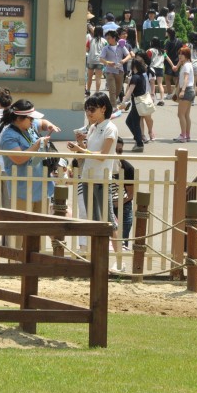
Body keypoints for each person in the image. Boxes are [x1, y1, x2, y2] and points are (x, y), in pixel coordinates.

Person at [67, 92, 124, 271]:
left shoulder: (110, 128)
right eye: (87, 109)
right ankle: (96, 259)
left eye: (92, 109)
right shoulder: (93, 127)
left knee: (109, 222)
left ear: (103, 109)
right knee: (92, 220)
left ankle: (120, 262)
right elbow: (91, 152)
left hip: (101, 179)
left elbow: (104, 155)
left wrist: (81, 150)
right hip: (88, 177)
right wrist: (81, 146)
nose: (88, 113)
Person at [0, 99, 58, 215]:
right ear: (18, 118)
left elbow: (43, 122)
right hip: (22, 191)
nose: (33, 121)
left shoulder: (31, 126)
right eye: (30, 118)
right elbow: (19, 159)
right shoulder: (8, 137)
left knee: (40, 228)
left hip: (41, 188)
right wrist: (37, 145)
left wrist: (49, 125)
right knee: (21, 230)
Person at [118, 57, 149, 152]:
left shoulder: (135, 77)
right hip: (139, 103)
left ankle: (139, 143)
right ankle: (138, 139)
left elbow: (129, 91)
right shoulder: (142, 76)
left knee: (135, 123)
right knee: (130, 122)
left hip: (137, 103)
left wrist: (123, 102)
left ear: (134, 66)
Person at [112, 137, 135, 246]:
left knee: (122, 241)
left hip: (123, 205)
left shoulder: (128, 168)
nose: (117, 154)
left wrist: (118, 203)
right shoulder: (100, 167)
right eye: (114, 151)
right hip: (104, 204)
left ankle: (121, 261)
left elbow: (131, 193)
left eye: (120, 151)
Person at [101, 29, 133, 104]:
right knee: (112, 90)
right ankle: (113, 107)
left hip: (120, 71)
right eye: (107, 38)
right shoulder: (106, 48)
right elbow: (101, 58)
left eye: (109, 38)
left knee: (118, 90)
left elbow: (129, 55)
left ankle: (109, 104)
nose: (107, 40)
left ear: (114, 38)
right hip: (109, 71)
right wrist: (107, 62)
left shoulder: (121, 46)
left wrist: (123, 61)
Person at [172, 46, 194, 143]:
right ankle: (187, 135)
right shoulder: (187, 64)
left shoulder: (186, 66)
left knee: (180, 114)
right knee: (186, 115)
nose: (180, 56)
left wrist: (182, 90)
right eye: (179, 54)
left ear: (187, 55)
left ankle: (183, 135)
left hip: (186, 90)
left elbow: (186, 78)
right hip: (190, 90)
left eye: (182, 54)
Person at [147, 36, 167, 106]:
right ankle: (162, 99)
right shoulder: (162, 51)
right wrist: (173, 65)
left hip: (153, 69)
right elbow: (167, 58)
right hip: (160, 68)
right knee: (160, 84)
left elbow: (147, 58)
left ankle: (152, 99)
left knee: (152, 84)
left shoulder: (150, 50)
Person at [85, 25, 105, 97]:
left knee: (89, 77)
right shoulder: (104, 41)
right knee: (98, 78)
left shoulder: (90, 40)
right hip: (100, 60)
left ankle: (88, 91)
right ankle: (97, 92)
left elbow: (86, 50)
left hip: (91, 60)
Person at [163, 28, 182, 100]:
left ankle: (169, 94)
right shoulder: (179, 41)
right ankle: (177, 93)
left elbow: (165, 54)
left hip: (169, 63)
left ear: (169, 34)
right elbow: (181, 52)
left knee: (167, 79)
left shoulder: (168, 42)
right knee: (176, 79)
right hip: (177, 62)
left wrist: (171, 64)